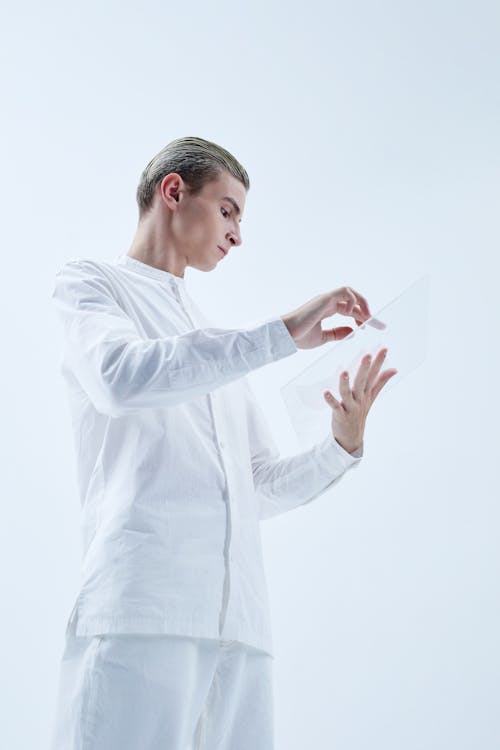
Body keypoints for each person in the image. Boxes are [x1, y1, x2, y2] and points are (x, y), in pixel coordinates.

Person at [49, 136, 397, 750]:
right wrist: (282, 334)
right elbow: (120, 379)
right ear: (174, 191)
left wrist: (339, 446)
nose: (238, 234)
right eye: (229, 209)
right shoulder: (92, 286)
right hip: (144, 613)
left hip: (242, 634)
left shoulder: (210, 341)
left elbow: (256, 484)